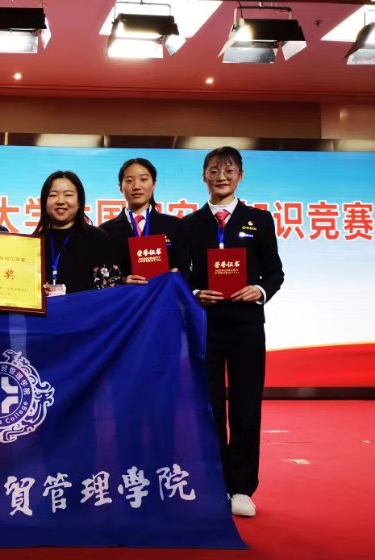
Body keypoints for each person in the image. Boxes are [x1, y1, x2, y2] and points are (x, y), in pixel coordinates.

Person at [183, 146, 284, 518]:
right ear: (204, 176)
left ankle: (241, 487)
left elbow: (275, 272)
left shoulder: (259, 220)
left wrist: (259, 290)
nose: (220, 176)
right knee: (209, 407)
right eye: (213, 170)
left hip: (246, 327)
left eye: (228, 170)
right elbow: (182, 275)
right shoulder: (190, 224)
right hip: (205, 326)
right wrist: (195, 292)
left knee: (245, 405)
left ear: (240, 175)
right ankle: (214, 483)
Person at [100, 157, 188, 285]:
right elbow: (101, 276)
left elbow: (186, 268)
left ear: (154, 184)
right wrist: (121, 281)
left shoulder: (175, 226)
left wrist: (177, 274)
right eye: (129, 181)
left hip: (163, 295)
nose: (136, 186)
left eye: (144, 179)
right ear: (120, 187)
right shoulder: (104, 231)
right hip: (126, 297)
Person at [33, 170, 120, 294]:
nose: (60, 201)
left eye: (68, 195)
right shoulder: (32, 242)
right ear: (44, 202)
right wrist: (36, 293)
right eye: (53, 195)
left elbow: (110, 289)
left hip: (87, 307)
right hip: (45, 308)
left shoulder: (97, 238)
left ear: (79, 202)